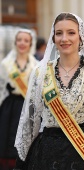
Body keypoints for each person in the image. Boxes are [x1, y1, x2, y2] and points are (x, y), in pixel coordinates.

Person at [14, 13, 84, 170]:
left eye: (71, 32)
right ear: (53, 38)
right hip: (46, 154)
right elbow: (30, 123)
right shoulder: (41, 72)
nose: (64, 38)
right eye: (59, 33)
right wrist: (20, 164)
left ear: (81, 37)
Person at [0, 28, 38, 170]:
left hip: (26, 107)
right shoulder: (6, 64)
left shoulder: (36, 65)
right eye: (19, 40)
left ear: (30, 44)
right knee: (6, 140)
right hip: (8, 108)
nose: (22, 43)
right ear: (15, 42)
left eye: (26, 40)